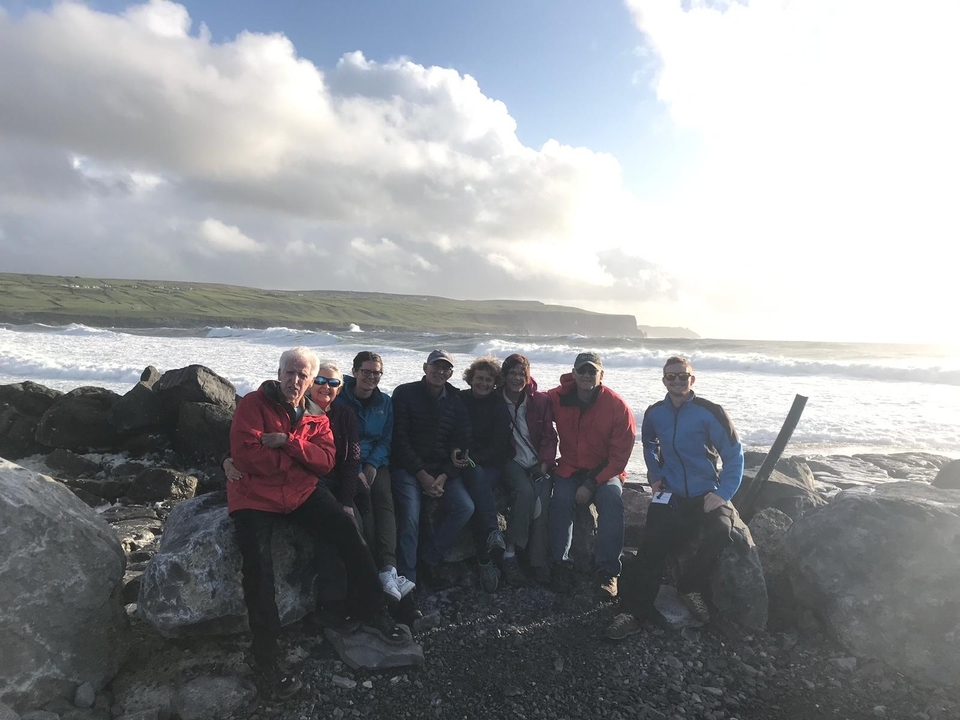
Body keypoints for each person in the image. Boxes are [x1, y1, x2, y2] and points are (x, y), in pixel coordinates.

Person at [227, 347, 406, 699]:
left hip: (299, 491)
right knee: (258, 569)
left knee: (348, 533)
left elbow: (324, 462)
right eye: (289, 372)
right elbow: (247, 457)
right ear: (278, 373)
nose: (295, 380)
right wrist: (296, 460)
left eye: (302, 375)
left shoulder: (317, 417)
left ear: (310, 382)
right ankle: (266, 657)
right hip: (254, 496)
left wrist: (288, 444)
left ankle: (373, 608)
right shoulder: (253, 404)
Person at [605, 356, 744, 641]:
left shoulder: (710, 412)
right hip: (670, 493)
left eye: (683, 376)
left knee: (720, 532)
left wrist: (722, 494)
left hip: (706, 492)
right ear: (664, 380)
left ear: (692, 379)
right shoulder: (656, 413)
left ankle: (689, 588)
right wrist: (654, 475)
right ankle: (632, 613)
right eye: (671, 376)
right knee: (652, 546)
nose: (677, 380)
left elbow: (734, 455)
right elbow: (648, 443)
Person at [548, 351, 636, 599]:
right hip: (569, 468)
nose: (587, 375)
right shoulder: (558, 398)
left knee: (611, 500)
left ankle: (608, 571)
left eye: (592, 371)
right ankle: (560, 564)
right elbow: (530, 401)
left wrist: (590, 484)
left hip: (605, 472)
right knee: (561, 500)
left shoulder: (618, 407)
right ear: (574, 373)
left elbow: (619, 457)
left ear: (601, 375)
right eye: (582, 371)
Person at [333, 351, 415, 607]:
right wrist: (356, 466)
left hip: (376, 463)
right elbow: (337, 439)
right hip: (346, 464)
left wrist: (372, 464)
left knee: (385, 504)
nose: (371, 377)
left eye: (376, 372)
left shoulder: (385, 402)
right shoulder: (340, 399)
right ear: (355, 372)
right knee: (364, 509)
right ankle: (372, 570)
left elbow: (385, 439)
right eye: (366, 371)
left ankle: (389, 568)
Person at [390, 349, 475, 596]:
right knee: (410, 516)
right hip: (408, 469)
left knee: (465, 507)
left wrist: (445, 475)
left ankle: (430, 558)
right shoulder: (404, 394)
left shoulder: (456, 402)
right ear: (424, 367)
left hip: (441, 471)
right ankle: (408, 578)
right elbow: (399, 439)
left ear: (451, 373)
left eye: (446, 368)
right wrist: (422, 475)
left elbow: (463, 440)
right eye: (435, 366)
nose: (440, 372)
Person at [498, 353, 557, 586]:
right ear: (504, 375)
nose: (516, 377)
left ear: (528, 376)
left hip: (537, 461)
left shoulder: (539, 401)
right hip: (510, 461)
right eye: (511, 373)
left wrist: (544, 463)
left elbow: (550, 437)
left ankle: (537, 562)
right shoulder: (495, 399)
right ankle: (510, 554)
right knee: (525, 492)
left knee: (542, 501)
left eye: (521, 373)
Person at [456, 356, 512, 592]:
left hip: (488, 464)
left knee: (478, 484)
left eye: (489, 380)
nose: (484, 383)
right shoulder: (459, 399)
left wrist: (473, 459)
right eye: (479, 378)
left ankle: (485, 560)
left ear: (495, 383)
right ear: (471, 379)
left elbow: (499, 447)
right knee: (476, 498)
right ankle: (491, 537)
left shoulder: (498, 406)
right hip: (462, 462)